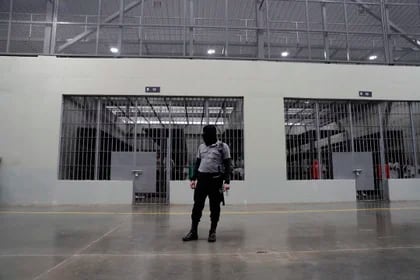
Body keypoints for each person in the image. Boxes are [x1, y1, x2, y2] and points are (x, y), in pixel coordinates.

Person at [182, 125, 232, 243]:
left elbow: (228, 165)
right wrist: (193, 179)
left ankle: (212, 232)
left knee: (215, 207)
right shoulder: (201, 147)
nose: (204, 137)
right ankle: (193, 231)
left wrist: (227, 181)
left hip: (215, 180)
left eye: (206, 135)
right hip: (202, 180)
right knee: (197, 206)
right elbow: (198, 163)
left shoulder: (222, 147)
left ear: (212, 135)